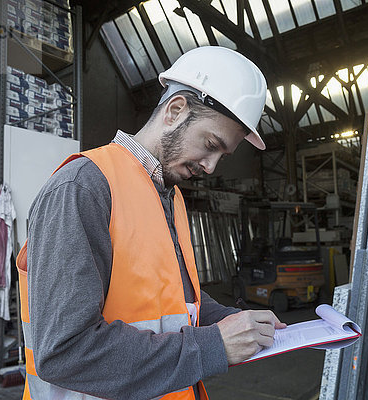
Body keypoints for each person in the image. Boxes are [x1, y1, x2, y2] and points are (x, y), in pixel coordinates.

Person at [16, 46, 287, 400]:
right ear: (175, 111)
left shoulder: (170, 197)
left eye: (223, 155)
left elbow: (172, 303)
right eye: (210, 144)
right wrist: (212, 346)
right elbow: (66, 351)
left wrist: (238, 323)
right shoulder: (83, 187)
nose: (211, 167)